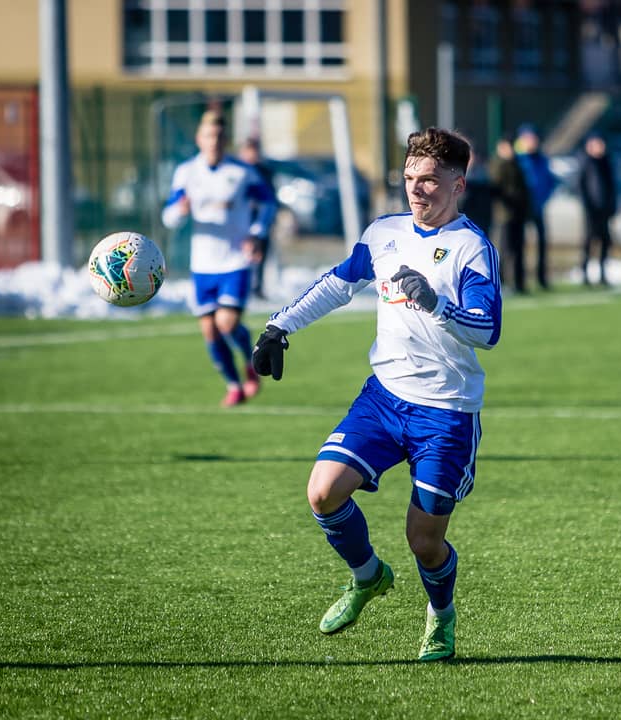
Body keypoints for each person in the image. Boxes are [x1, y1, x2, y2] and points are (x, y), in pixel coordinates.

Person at [251, 127, 502, 662]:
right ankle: (367, 575)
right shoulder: (384, 232)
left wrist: (436, 303)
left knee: (424, 542)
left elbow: (488, 330)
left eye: (429, 179)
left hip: (446, 411)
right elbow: (338, 284)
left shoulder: (471, 248)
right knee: (323, 492)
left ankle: (440, 616)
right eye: (409, 177)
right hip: (383, 398)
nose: (416, 188)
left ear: (457, 184)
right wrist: (279, 327)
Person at [161, 110, 277, 407]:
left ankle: (250, 362)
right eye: (208, 135)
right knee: (209, 329)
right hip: (202, 264)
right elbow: (169, 215)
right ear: (199, 139)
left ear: (225, 140)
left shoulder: (242, 171)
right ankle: (233, 385)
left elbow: (267, 204)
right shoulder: (186, 172)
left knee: (226, 322)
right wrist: (179, 212)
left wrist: (256, 234)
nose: (213, 141)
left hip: (235, 261)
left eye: (219, 136)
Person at [514, 124, 557, 290]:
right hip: (521, 208)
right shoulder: (517, 159)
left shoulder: (542, 159)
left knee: (542, 243)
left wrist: (543, 198)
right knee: (518, 245)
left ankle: (542, 278)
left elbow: (549, 181)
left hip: (538, 207)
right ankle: (518, 280)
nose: (531, 142)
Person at [488, 134, 530, 294]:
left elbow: (523, 189)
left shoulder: (517, 164)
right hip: (504, 215)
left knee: (518, 249)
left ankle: (519, 283)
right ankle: (502, 283)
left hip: (518, 214)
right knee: (503, 250)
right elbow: (495, 189)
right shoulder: (497, 165)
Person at [237, 137, 275, 300]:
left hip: (259, 220)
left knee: (259, 253)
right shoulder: (236, 170)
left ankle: (257, 287)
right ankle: (241, 286)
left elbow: (270, 198)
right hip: (240, 221)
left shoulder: (264, 171)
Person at [577, 132, 616, 286]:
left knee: (605, 241)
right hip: (591, 210)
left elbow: (612, 187)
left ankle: (602, 273)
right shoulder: (585, 163)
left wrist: (612, 206)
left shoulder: (606, 162)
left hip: (604, 210)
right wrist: (587, 206)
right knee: (589, 241)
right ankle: (584, 273)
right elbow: (581, 187)